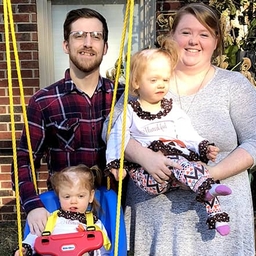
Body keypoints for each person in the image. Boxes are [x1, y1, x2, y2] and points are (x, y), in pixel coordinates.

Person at [105, 3, 256, 255]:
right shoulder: (148, 78)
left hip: (220, 228)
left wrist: (210, 174)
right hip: (156, 224)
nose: (193, 41)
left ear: (216, 41)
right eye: (185, 32)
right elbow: (111, 130)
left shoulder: (234, 85)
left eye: (204, 34)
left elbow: (254, 141)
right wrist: (145, 157)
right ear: (172, 37)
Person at [11, 7, 124, 237]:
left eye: (96, 36)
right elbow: (24, 160)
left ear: (105, 47)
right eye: (79, 35)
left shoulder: (122, 98)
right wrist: (32, 205)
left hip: (113, 210)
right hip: (64, 216)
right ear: (66, 45)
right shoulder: (44, 102)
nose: (88, 43)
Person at [105, 43, 232, 236]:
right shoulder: (130, 111)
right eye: (154, 79)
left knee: (195, 169)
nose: (161, 84)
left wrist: (202, 146)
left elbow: (186, 132)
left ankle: (215, 212)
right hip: (149, 176)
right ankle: (205, 189)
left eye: (165, 79)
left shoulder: (171, 109)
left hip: (176, 171)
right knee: (187, 170)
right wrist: (115, 163)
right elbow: (117, 137)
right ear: (137, 82)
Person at [14, 164, 111, 256]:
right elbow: (34, 236)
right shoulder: (51, 219)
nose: (73, 201)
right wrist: (25, 248)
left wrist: (89, 249)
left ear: (91, 196)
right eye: (67, 196)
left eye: (80, 196)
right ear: (59, 197)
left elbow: (104, 249)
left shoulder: (94, 224)